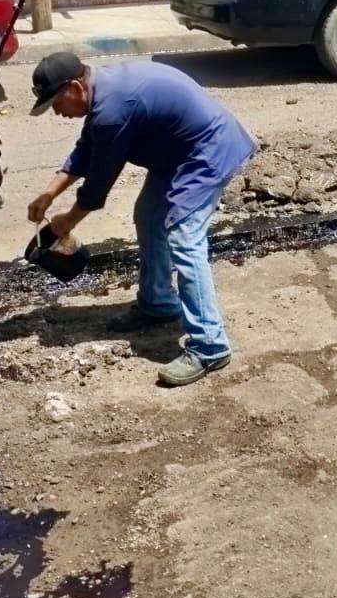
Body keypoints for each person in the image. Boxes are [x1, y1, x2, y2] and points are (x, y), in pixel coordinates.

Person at [27, 52, 257, 387]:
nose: (58, 113)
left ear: (75, 88)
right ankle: (158, 303)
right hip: (179, 154)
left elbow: (98, 185)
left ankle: (210, 345)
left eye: (56, 103)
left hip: (207, 151)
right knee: (149, 217)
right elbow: (85, 152)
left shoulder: (114, 107)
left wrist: (66, 223)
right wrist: (49, 194)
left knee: (184, 237)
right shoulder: (102, 92)